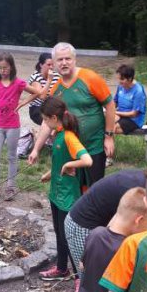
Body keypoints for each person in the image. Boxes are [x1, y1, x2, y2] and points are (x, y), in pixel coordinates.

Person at [65, 167, 147, 277]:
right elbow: (132, 232)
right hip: (81, 225)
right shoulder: (139, 192)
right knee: (93, 278)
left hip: (102, 224)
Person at [28, 42, 116, 189]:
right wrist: (36, 149)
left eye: (67, 59)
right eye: (59, 60)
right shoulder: (55, 89)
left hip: (94, 146)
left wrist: (109, 137)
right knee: (73, 189)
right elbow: (47, 121)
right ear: (54, 64)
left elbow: (110, 105)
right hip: (70, 148)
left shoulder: (90, 78)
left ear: (74, 59)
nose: (64, 63)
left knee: (94, 190)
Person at [37, 97, 93, 282]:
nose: (44, 123)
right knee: (59, 233)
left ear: (54, 117)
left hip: (68, 197)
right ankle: (62, 269)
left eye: (45, 119)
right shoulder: (57, 134)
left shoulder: (69, 136)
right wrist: (50, 173)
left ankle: (79, 278)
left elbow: (87, 160)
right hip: (56, 193)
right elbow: (60, 161)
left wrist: (70, 163)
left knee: (69, 238)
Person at [0, 52, 44, 200]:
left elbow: (38, 92)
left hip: (13, 126)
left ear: (12, 67)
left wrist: (23, 102)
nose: (3, 71)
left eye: (6, 68)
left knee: (11, 156)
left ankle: (10, 187)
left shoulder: (18, 83)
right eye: (0, 68)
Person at [18, 52, 60, 125]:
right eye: (48, 65)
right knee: (51, 121)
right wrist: (49, 80)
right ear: (41, 65)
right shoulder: (36, 77)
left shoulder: (57, 76)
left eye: (52, 65)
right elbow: (42, 96)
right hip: (38, 108)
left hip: (52, 107)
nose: (51, 67)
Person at [113, 64, 147, 135]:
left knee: (111, 128)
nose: (119, 81)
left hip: (133, 120)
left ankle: (107, 145)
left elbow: (134, 114)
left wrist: (115, 112)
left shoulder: (138, 91)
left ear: (130, 79)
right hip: (121, 115)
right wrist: (110, 109)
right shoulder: (121, 86)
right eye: (119, 79)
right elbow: (115, 101)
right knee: (102, 122)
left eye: (122, 79)